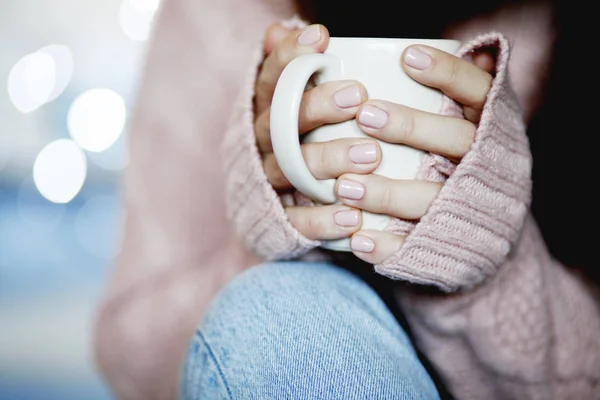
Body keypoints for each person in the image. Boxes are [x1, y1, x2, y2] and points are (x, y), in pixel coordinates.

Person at [92, 0, 600, 399]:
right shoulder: (213, 14)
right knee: (282, 314)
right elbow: (132, 354)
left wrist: (492, 262)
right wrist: (288, 221)